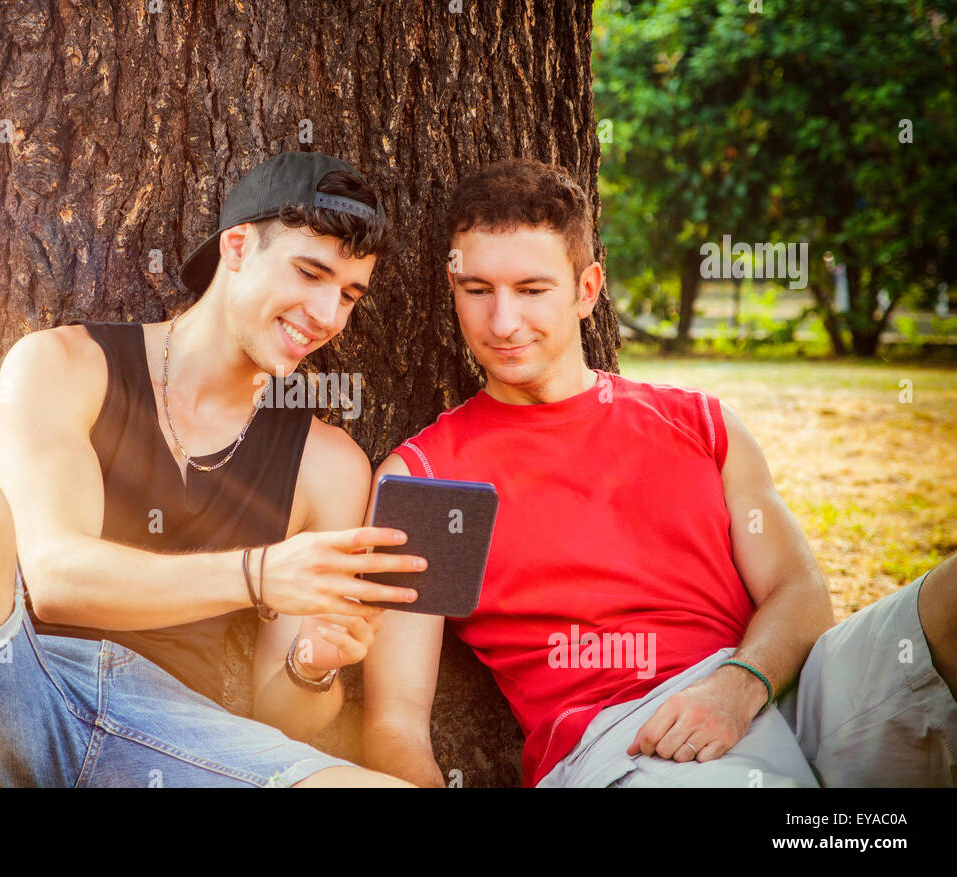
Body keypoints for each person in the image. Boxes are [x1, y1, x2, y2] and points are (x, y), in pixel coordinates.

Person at [361, 157, 957, 788]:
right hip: (632, 740)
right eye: (477, 291)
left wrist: (738, 686)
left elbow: (799, 591)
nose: (503, 323)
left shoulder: (700, 423)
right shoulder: (429, 479)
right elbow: (394, 723)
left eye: (532, 291)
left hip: (784, 689)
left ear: (587, 289)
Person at [0, 151, 426, 787]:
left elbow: (280, 716)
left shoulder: (328, 466)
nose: (327, 314)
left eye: (349, 294)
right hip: (21, 684)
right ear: (236, 247)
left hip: (174, 734)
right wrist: (258, 574)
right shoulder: (63, 365)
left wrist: (312, 665)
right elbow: (56, 577)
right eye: (309, 273)